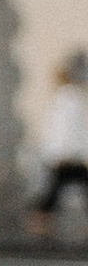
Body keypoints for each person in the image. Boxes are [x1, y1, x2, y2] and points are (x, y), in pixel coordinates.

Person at [38, 50, 88, 220]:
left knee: (56, 186)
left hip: (66, 153)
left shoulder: (64, 96)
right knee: (57, 186)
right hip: (69, 154)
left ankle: (41, 214)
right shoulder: (70, 96)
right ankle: (41, 214)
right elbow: (68, 128)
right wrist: (70, 151)